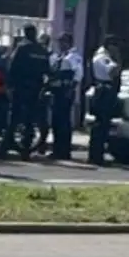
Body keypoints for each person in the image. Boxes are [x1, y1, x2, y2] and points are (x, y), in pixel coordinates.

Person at [0, 24, 49, 160]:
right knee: (29, 121)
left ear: (25, 33)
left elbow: (12, 67)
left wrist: (9, 85)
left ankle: (3, 150)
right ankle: (25, 151)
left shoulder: (22, 48)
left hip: (21, 88)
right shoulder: (42, 50)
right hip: (36, 89)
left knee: (13, 119)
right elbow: (47, 70)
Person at [48, 32, 84, 161]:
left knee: (63, 122)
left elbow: (78, 74)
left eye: (63, 42)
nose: (61, 44)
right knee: (56, 122)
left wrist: (70, 89)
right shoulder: (60, 56)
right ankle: (57, 150)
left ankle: (64, 151)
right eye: (60, 42)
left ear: (69, 43)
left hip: (65, 91)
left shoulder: (73, 57)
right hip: (57, 91)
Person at [88, 35, 122, 166]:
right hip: (104, 91)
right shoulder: (103, 57)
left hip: (103, 90)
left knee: (102, 125)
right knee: (101, 125)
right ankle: (96, 156)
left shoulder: (102, 55)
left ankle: (97, 154)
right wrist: (118, 60)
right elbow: (113, 72)